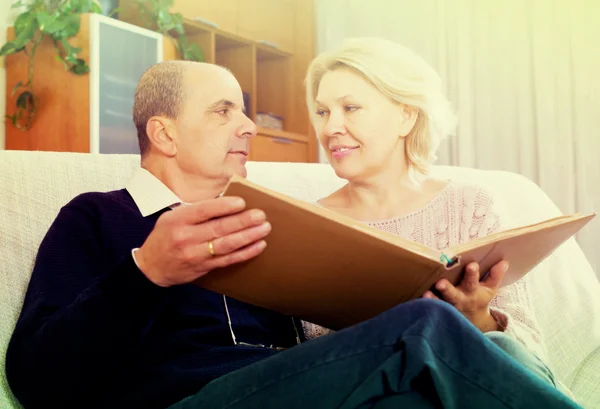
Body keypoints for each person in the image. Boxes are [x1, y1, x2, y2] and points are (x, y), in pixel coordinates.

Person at [5, 60, 582, 409]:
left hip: (295, 390)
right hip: (183, 401)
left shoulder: (271, 222)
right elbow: (36, 381)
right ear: (165, 133)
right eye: (223, 111)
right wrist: (144, 274)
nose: (250, 126)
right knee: (426, 328)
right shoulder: (97, 217)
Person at [303, 36, 565, 391]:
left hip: (482, 383)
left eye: (350, 108)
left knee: (500, 347)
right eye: (322, 112)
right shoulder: (310, 226)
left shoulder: (470, 206)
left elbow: (531, 356)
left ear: (406, 117)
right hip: (380, 392)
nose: (330, 127)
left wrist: (480, 318)